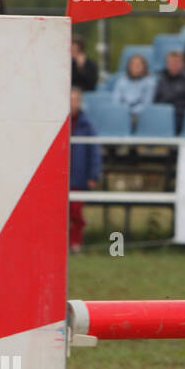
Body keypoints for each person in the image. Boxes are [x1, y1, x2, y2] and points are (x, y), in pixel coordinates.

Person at [69, 85, 102, 252]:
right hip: (60, 176)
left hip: (78, 175)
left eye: (76, 99)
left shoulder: (87, 124)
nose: (73, 103)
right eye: (70, 99)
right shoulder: (57, 123)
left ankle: (75, 244)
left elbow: (94, 151)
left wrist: (93, 175)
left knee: (75, 212)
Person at [153, 50, 185, 134]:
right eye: (170, 62)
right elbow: (155, 101)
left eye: (176, 62)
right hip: (162, 117)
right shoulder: (159, 81)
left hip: (183, 118)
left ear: (183, 64)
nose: (173, 65)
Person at [112, 52, 157, 126]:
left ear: (144, 66)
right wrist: (123, 112)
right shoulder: (121, 81)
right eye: (133, 64)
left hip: (140, 116)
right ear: (129, 66)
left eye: (139, 64)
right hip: (121, 114)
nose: (136, 66)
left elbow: (147, 104)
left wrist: (130, 112)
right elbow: (115, 101)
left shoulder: (150, 82)